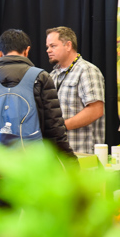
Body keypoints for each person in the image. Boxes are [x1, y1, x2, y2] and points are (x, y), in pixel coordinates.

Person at [0, 29, 77, 162]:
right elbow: (54, 128)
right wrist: (70, 160)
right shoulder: (41, 78)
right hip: (31, 162)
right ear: (27, 50)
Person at [45, 26, 105, 154]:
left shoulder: (87, 71)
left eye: (53, 46)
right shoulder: (52, 75)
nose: (48, 50)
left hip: (82, 153)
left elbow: (96, 110)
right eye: (47, 47)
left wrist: (61, 127)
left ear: (68, 45)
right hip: (57, 154)